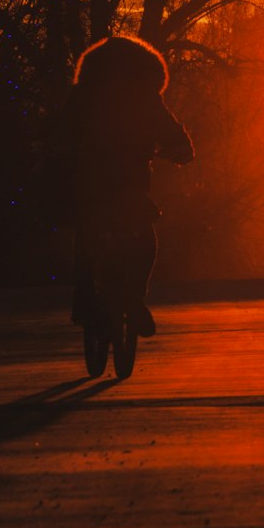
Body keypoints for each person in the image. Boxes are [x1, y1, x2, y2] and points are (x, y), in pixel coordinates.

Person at [67, 34, 193, 337]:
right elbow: (177, 140)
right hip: (129, 187)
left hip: (90, 185)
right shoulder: (145, 98)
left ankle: (85, 304)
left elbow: (55, 127)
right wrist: (177, 152)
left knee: (85, 241)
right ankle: (135, 300)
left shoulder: (84, 95)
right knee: (145, 239)